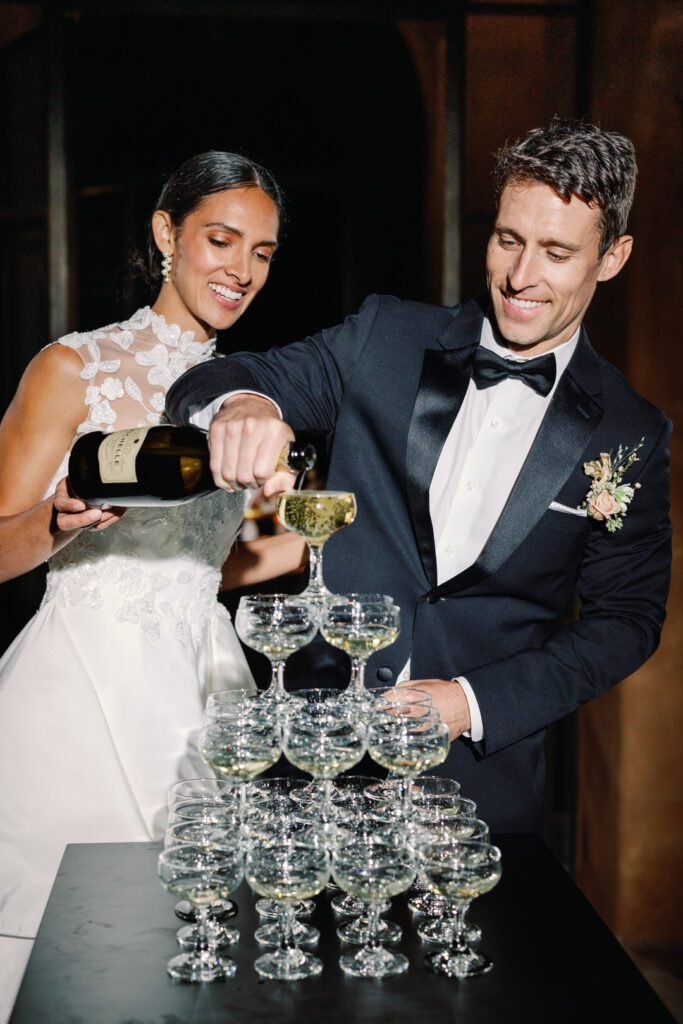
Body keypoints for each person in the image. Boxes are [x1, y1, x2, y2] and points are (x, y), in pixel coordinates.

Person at [166, 119, 672, 834]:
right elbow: (221, 375)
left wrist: (470, 701)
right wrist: (245, 404)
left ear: (611, 256)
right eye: (507, 241)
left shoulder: (629, 433)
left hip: (477, 794)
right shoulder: (387, 337)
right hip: (312, 764)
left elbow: (625, 623)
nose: (521, 277)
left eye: (556, 253)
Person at [0, 150, 304, 1016]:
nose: (241, 270)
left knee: (191, 965)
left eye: (263, 253)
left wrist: (311, 531)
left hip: (205, 690)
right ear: (166, 234)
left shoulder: (245, 398)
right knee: (67, 965)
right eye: (221, 240)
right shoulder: (73, 368)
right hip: (81, 691)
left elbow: (232, 564)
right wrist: (57, 523)